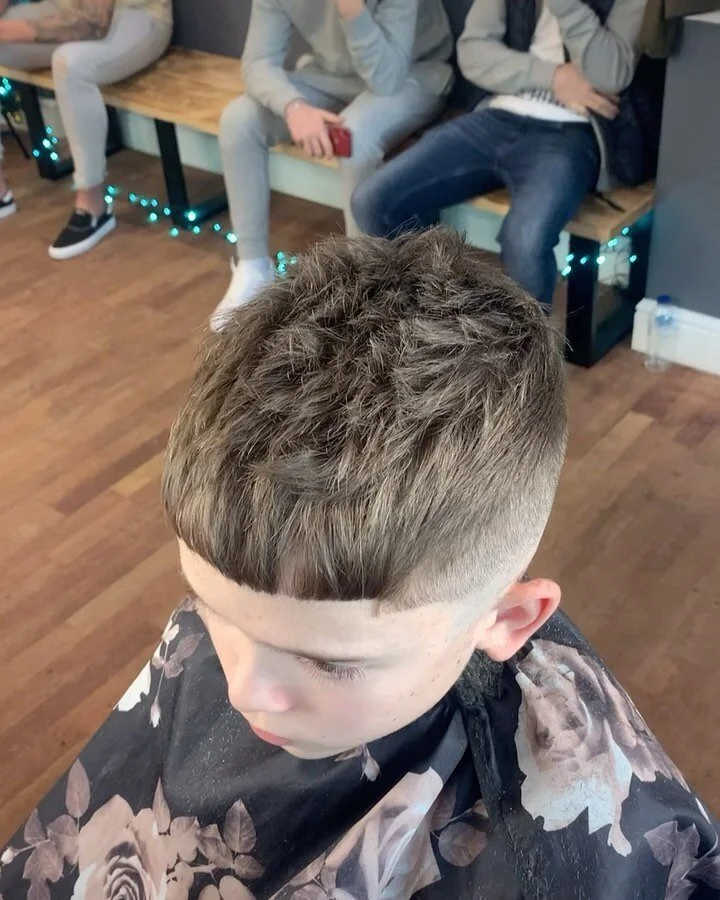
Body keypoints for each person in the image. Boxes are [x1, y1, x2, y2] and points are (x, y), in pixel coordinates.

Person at [1, 229, 718, 899]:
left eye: (330, 662)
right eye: (209, 607)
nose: (245, 689)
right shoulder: (265, 607)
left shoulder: (581, 851)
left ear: (507, 620)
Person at [351, 0, 655, 309]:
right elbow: (473, 52)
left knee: (525, 241)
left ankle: (528, 340)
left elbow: (611, 73)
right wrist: (554, 77)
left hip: (571, 132)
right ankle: (436, 312)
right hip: (497, 115)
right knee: (373, 200)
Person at [210, 0, 453, 331]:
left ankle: (362, 286)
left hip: (412, 71)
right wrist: (294, 107)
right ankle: (253, 267)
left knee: (352, 137)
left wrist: (350, 7)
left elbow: (385, 78)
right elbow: (257, 62)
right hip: (330, 74)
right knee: (239, 120)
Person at [0, 0, 171, 259]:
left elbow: (93, 21)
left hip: (134, 15)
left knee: (71, 64)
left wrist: (5, 30)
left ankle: (93, 206)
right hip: (64, 9)